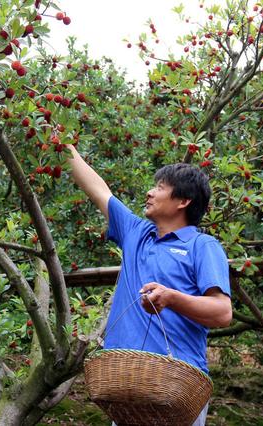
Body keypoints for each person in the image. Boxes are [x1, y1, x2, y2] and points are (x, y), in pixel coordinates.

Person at [67, 144, 232, 426]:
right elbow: (98, 189)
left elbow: (222, 312)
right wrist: (61, 144)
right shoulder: (136, 233)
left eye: (160, 187)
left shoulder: (201, 246)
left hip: (176, 387)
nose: (150, 192)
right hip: (127, 383)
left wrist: (171, 298)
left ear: (183, 201)